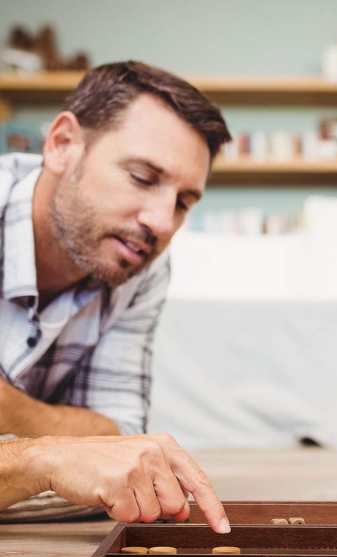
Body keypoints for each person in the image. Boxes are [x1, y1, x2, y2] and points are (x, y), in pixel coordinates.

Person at [0, 61, 233, 532]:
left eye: (184, 201)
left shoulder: (139, 264)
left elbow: (120, 437)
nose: (164, 223)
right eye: (143, 178)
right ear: (63, 144)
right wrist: (43, 458)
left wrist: (14, 418)